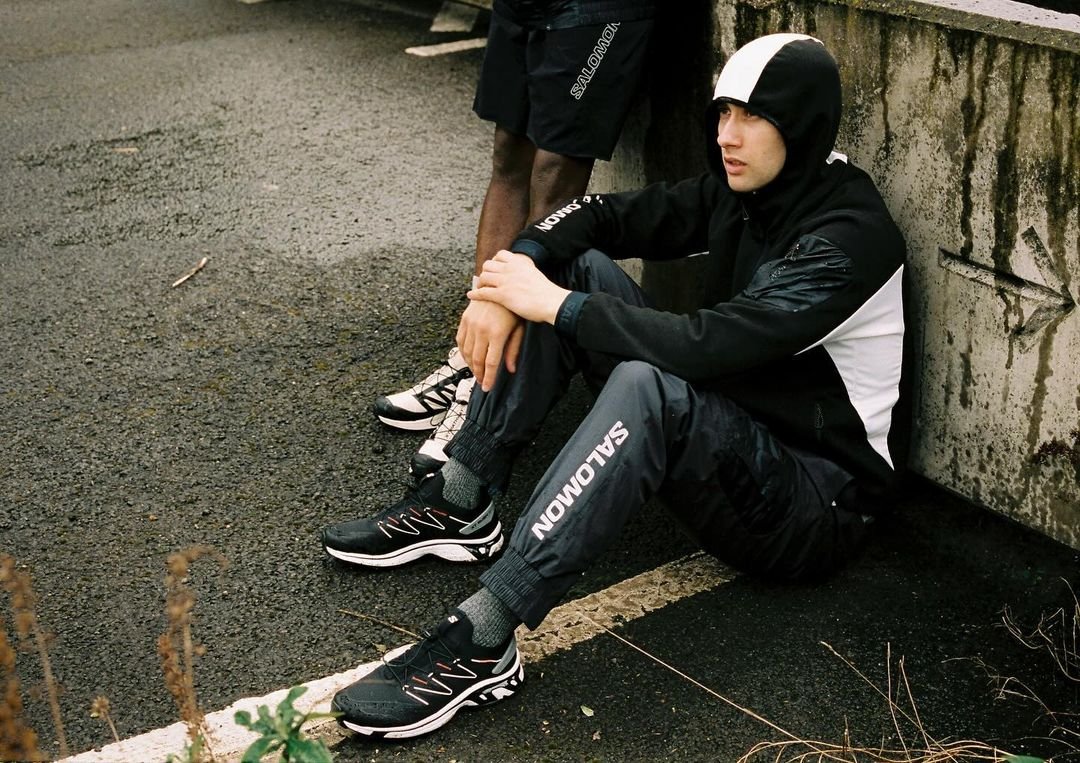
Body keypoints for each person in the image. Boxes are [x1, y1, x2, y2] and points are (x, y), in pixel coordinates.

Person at [323, 33, 909, 740]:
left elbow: (712, 343)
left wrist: (553, 307)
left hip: (813, 506)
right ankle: (463, 496)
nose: (727, 136)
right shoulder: (749, 187)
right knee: (575, 269)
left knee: (644, 381)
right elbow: (599, 215)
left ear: (802, 125)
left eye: (752, 118)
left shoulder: (849, 237)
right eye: (722, 113)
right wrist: (517, 275)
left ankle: (484, 635)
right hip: (736, 434)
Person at [373, 0, 657, 478]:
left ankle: (490, 385)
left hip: (596, 9)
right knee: (510, 151)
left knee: (554, 170)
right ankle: (473, 352)